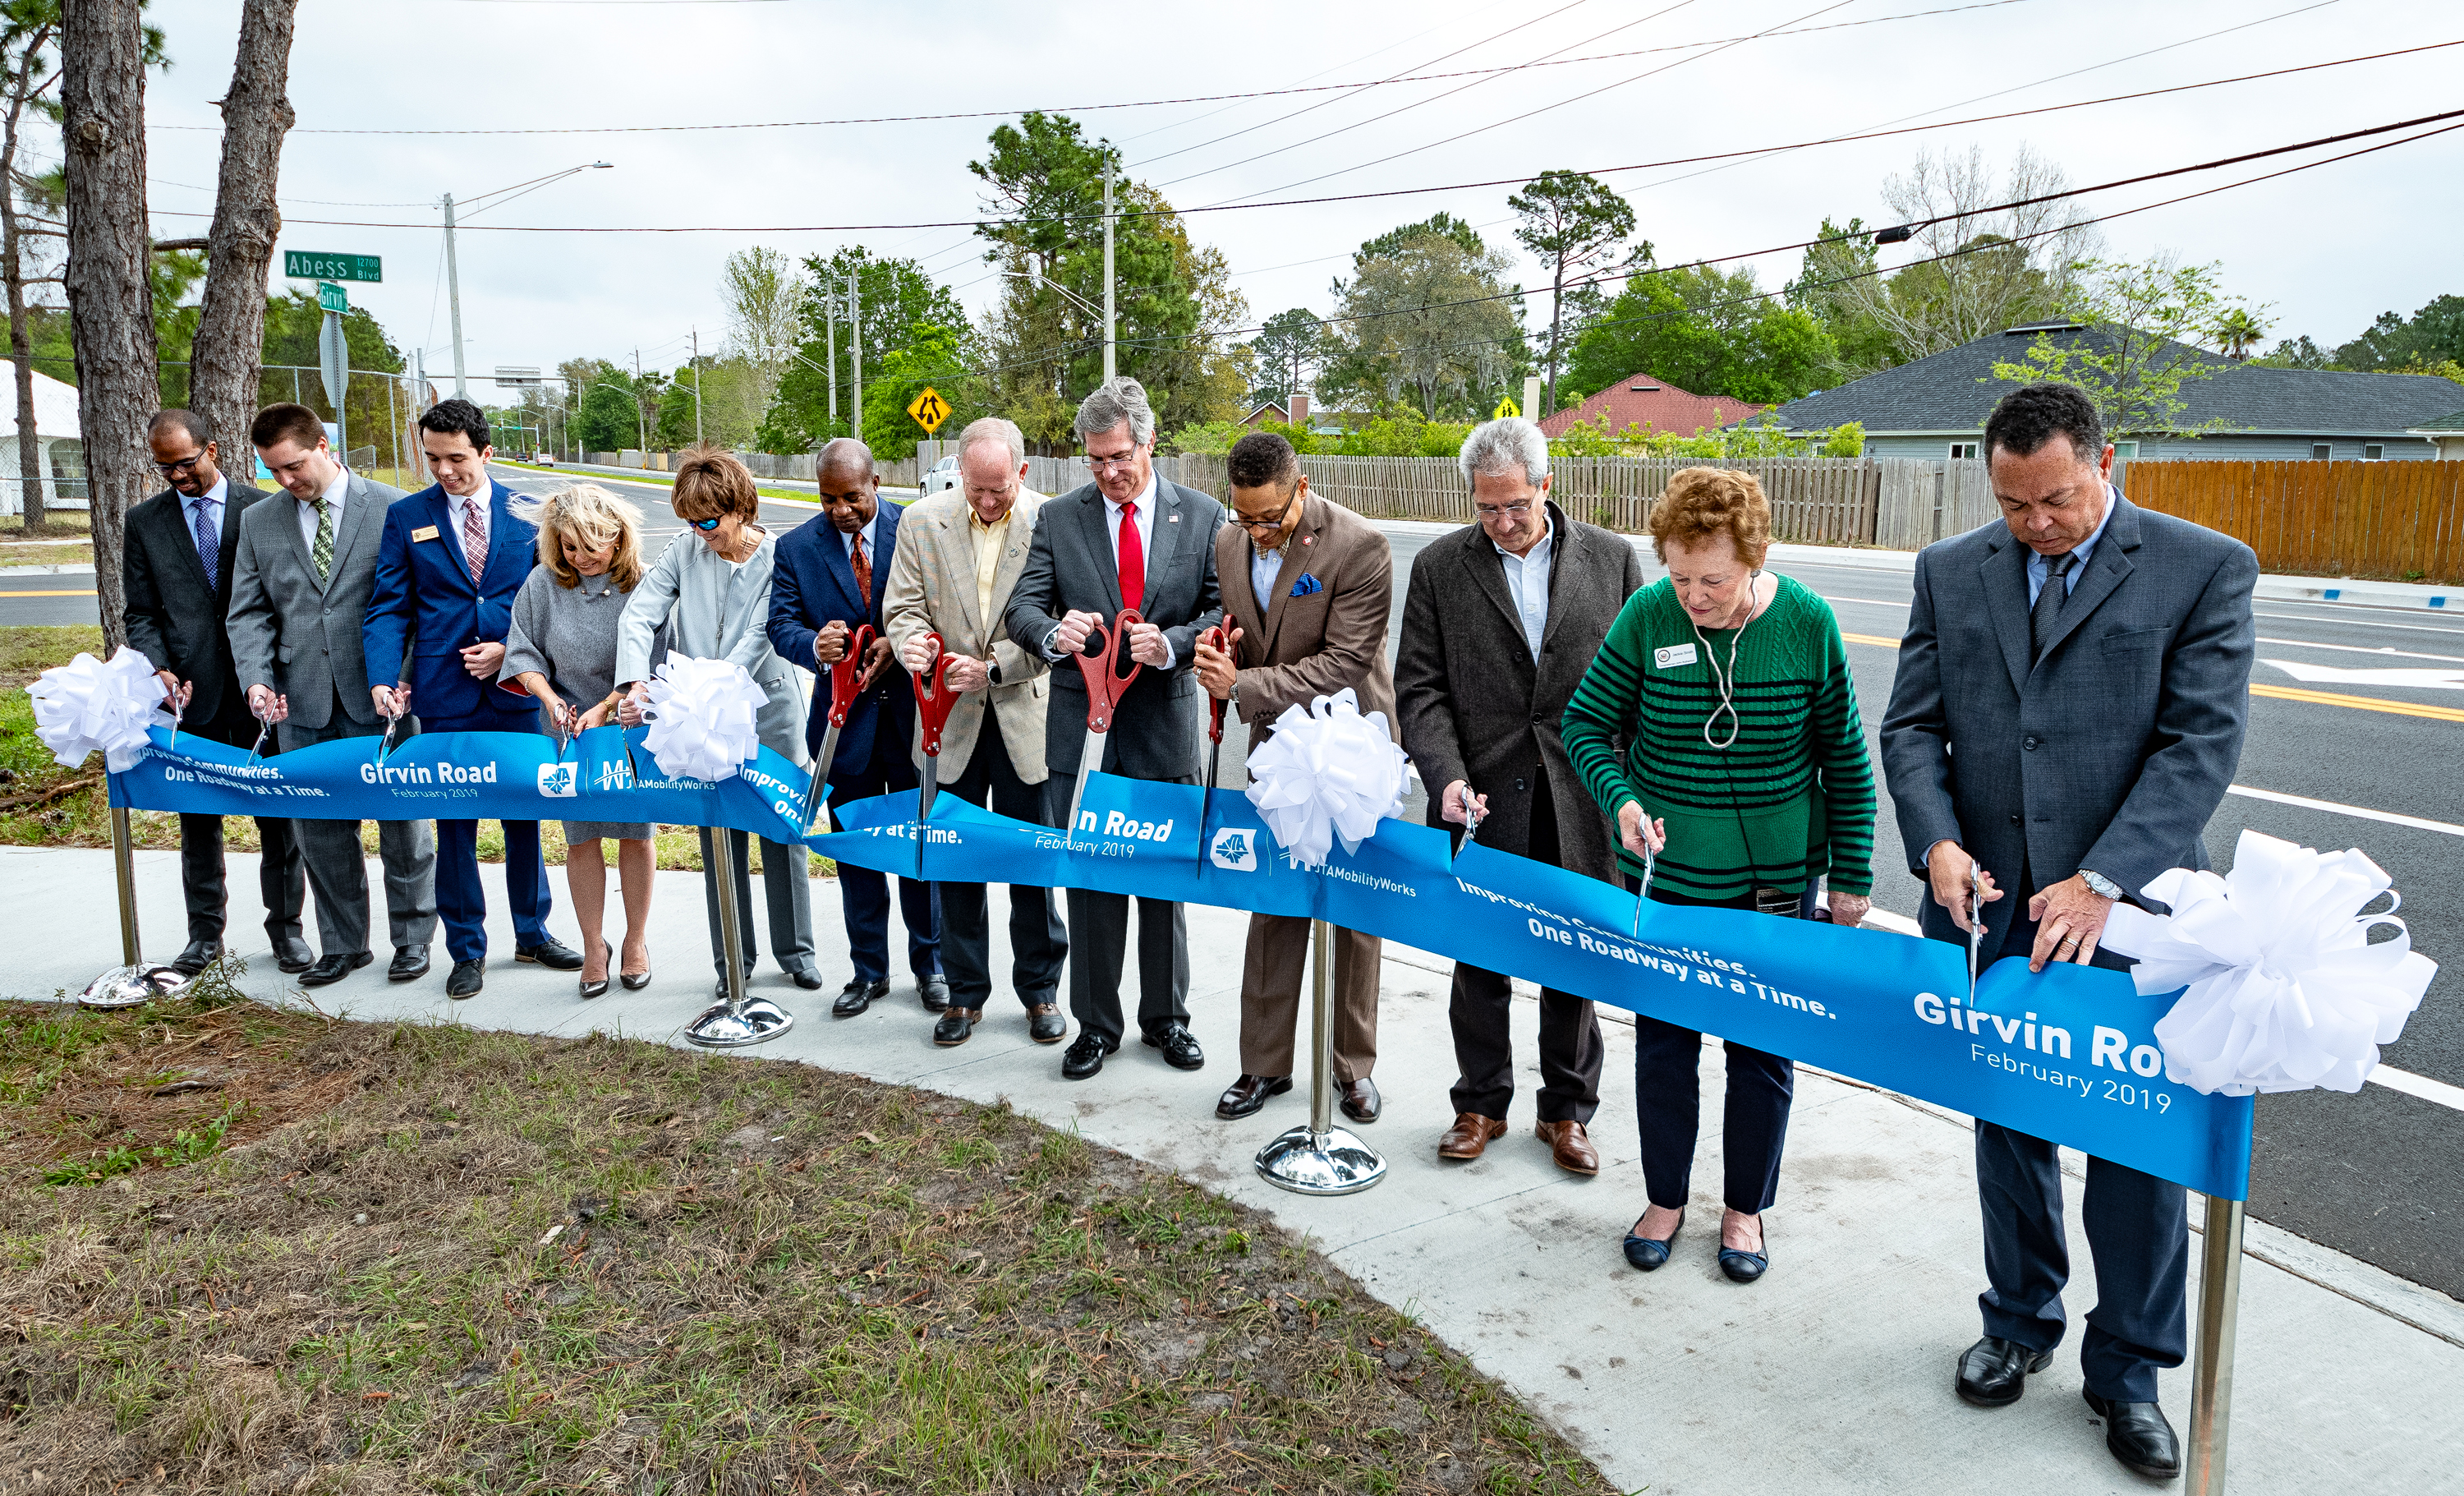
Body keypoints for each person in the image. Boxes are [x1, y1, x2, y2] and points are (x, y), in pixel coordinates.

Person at [1880, 383, 2256, 1481]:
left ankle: (2129, 1370)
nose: (2035, 524)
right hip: (1989, 904)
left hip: (2132, 914)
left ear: (2105, 463)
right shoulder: (1951, 572)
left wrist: (2103, 878)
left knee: (2136, 1147)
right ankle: (2018, 1321)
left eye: (2056, 501)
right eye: (2013, 505)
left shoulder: (2203, 567)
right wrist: (1936, 845)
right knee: (2010, 1126)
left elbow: (2198, 749)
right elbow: (1912, 728)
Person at [1561, 466, 1878, 1287]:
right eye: (1680, 576)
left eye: (1715, 580)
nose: (1694, 595)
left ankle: (1744, 1208)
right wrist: (1623, 800)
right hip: (1666, 876)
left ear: (1755, 560)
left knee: (1760, 1052)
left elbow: (1844, 756)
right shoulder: (1648, 615)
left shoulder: (1808, 623)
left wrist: (1851, 875)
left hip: (1774, 885)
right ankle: (1665, 1199)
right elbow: (1587, 724)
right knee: (1666, 1044)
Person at [1396, 418, 1639, 1176]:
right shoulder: (1439, 567)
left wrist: (1630, 794)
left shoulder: (1613, 559)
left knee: (1573, 955)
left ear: (1547, 485)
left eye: (1516, 507)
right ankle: (1480, 1103)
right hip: (1483, 793)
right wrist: (1445, 776)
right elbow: (1420, 688)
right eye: (1487, 508)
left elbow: (1640, 692)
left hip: (1580, 790)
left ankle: (1566, 1112)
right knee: (1480, 955)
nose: (1503, 523)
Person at [1004, 376, 1225, 1083]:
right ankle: (1096, 1025)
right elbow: (1024, 608)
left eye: (1120, 457)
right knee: (1093, 883)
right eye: (1096, 460)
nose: (1108, 473)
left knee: (1162, 884)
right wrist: (1053, 631)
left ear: (1149, 441)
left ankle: (1167, 1019)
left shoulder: (1201, 515)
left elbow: (1223, 611)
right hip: (1081, 733)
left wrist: (1176, 645)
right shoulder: (1061, 518)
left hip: (1163, 727)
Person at [1195, 430, 1394, 1124]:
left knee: (1353, 913)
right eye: (1244, 518)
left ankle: (1351, 1068)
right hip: (1275, 752)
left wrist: (1241, 682)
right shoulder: (1228, 543)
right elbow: (1248, 628)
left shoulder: (1359, 545)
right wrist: (1219, 649)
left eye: (1270, 519)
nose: (1258, 533)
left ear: (1300, 490)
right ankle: (1263, 1065)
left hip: (1351, 755)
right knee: (1274, 905)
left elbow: (1343, 662)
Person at [363, 398, 582, 999]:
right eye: (433, 458)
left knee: (524, 813)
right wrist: (384, 675)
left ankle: (533, 930)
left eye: (456, 458)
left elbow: (553, 599)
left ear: (485, 452)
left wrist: (509, 651)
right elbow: (388, 605)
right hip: (444, 694)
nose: (444, 470)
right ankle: (466, 948)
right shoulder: (408, 516)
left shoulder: (528, 512)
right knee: (456, 821)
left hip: (516, 691)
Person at [227, 403, 439, 987]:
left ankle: (413, 940)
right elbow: (248, 613)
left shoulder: (396, 508)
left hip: (383, 697)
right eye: (274, 471)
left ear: (324, 446)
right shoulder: (261, 521)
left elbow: (424, 608)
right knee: (319, 831)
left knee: (404, 826)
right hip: (302, 701)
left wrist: (407, 674)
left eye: (294, 466)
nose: (286, 481)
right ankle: (343, 945)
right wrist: (258, 679)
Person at [881, 417, 1067, 1048]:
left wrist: (993, 667)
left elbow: (1059, 629)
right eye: (976, 489)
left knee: (1031, 860)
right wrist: (916, 648)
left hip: (1023, 716)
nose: (987, 502)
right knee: (955, 860)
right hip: (947, 719)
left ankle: (1041, 990)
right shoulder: (920, 521)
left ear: (1023, 472)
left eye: (1000, 489)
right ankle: (965, 994)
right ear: (960, 472)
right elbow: (901, 607)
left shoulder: (1054, 521)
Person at [618, 447, 818, 997]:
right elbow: (641, 611)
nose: (700, 531)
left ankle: (796, 950)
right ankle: (733, 957)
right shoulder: (684, 551)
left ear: (740, 509)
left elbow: (758, 635)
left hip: (766, 706)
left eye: (709, 519)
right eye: (689, 520)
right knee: (719, 832)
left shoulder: (780, 558)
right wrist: (636, 679)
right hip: (698, 715)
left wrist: (704, 691)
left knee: (782, 828)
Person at [122, 408, 308, 977]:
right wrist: (158, 667)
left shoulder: (267, 507)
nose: (177, 477)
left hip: (264, 692)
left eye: (185, 463)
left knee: (279, 820)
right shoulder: (144, 522)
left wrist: (276, 674)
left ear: (214, 449)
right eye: (164, 468)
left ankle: (287, 932)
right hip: (192, 698)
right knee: (198, 823)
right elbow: (141, 613)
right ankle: (204, 937)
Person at [767, 437, 945, 1016]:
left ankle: (932, 966)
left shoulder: (915, 529)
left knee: (921, 849)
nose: (840, 510)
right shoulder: (796, 548)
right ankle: (869, 971)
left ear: (875, 484)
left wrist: (904, 640)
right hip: (846, 729)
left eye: (851, 497)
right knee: (858, 856)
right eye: (827, 500)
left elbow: (939, 609)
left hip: (916, 722)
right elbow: (782, 624)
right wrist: (815, 647)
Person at [502, 483, 662, 998]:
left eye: (591, 545)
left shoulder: (645, 585)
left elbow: (655, 665)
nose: (580, 556)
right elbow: (522, 653)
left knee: (636, 834)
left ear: (617, 540)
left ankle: (635, 940)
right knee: (581, 838)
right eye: (569, 545)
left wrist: (607, 708)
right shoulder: (542, 584)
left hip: (628, 726)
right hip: (569, 729)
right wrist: (550, 700)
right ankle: (595, 946)